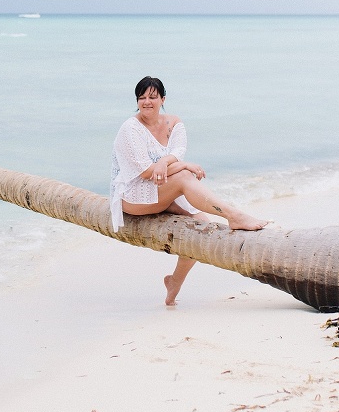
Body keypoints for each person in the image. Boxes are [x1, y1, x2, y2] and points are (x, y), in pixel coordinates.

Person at [110, 76, 268, 306]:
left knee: (201, 225)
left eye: (152, 97)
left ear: (163, 99)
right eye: (141, 97)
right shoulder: (130, 128)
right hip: (133, 196)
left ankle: (174, 282)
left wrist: (167, 162)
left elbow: (177, 152)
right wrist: (181, 165)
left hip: (163, 188)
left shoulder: (174, 124)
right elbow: (146, 172)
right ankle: (233, 215)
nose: (146, 102)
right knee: (184, 176)